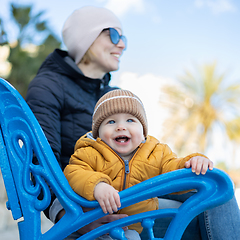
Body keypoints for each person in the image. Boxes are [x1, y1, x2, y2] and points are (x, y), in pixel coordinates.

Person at [25, 5, 240, 240]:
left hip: (133, 193)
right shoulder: (48, 86)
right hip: (89, 201)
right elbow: (37, 166)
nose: (123, 44)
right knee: (202, 219)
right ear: (86, 38)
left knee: (218, 186)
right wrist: (72, 216)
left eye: (124, 37)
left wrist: (193, 162)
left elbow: (155, 162)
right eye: (114, 35)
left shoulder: (115, 95)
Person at [63, 89, 214, 239]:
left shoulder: (156, 152)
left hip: (131, 226)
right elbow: (74, 172)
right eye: (111, 122)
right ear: (98, 134)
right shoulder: (90, 151)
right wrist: (97, 186)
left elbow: (173, 170)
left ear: (143, 132)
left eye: (130, 120)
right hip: (91, 222)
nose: (121, 127)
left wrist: (193, 162)